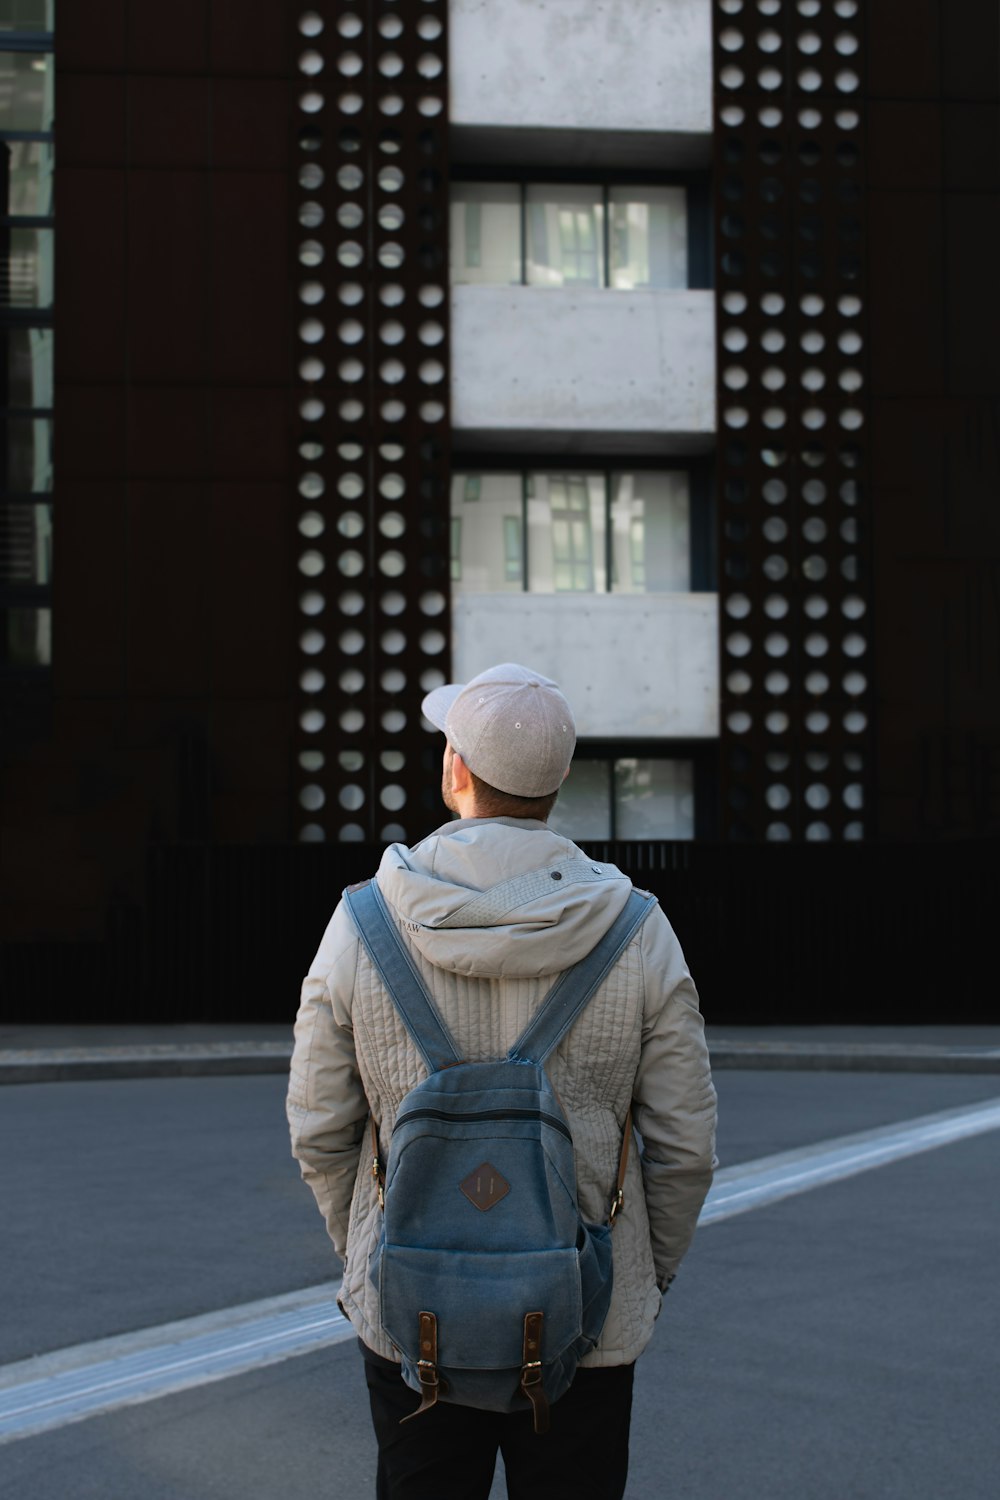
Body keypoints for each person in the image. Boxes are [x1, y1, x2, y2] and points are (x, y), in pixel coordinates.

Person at [287, 662, 717, 1500]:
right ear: (557, 783)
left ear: (455, 770)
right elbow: (685, 1142)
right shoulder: (638, 930)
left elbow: (317, 1126)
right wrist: (642, 1275)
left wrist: (372, 1245)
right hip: (585, 1313)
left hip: (410, 1311)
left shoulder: (362, 922)